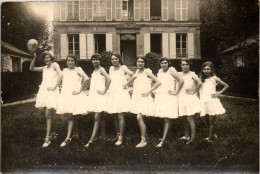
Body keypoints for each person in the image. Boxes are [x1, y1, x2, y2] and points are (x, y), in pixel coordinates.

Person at [123, 56, 161, 148]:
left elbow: (158, 82)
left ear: (145, 63)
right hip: (137, 97)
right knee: (139, 117)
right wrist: (128, 86)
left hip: (145, 97)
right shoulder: (136, 72)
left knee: (139, 117)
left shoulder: (147, 71)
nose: (140, 63)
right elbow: (132, 82)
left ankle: (143, 140)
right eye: (138, 62)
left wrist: (149, 91)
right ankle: (144, 136)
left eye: (142, 62)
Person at [29, 52, 62, 147]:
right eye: (44, 58)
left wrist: (55, 86)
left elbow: (60, 74)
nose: (46, 59)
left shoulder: (55, 65)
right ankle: (53, 134)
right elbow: (31, 68)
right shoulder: (44, 68)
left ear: (51, 58)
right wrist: (34, 57)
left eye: (48, 58)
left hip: (51, 91)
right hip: (44, 91)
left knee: (48, 114)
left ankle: (47, 138)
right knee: (48, 115)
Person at [56, 55, 89, 147]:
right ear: (66, 62)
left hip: (75, 94)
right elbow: (58, 80)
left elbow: (86, 78)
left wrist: (80, 90)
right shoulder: (64, 71)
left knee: (71, 115)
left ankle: (67, 138)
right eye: (68, 61)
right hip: (66, 95)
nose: (70, 62)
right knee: (72, 115)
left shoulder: (78, 69)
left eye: (72, 61)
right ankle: (75, 134)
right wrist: (58, 87)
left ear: (75, 62)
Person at [154, 57, 184, 147]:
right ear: (160, 64)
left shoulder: (171, 70)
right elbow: (159, 83)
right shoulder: (159, 71)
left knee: (167, 118)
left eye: (165, 63)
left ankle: (163, 141)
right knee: (165, 118)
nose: (164, 65)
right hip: (161, 96)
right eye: (162, 63)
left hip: (169, 97)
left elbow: (181, 81)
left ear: (168, 63)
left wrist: (176, 92)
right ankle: (166, 137)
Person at [105, 52, 133, 146]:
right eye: (112, 59)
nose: (114, 61)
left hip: (121, 93)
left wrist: (126, 84)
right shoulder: (111, 68)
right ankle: (117, 134)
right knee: (114, 115)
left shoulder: (123, 67)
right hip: (113, 92)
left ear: (119, 59)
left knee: (120, 116)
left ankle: (121, 137)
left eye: (115, 59)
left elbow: (133, 75)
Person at [85, 53, 111, 147]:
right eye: (93, 59)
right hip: (94, 95)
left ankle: (91, 140)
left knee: (96, 116)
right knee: (101, 116)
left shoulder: (101, 69)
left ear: (100, 61)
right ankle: (103, 136)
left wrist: (104, 90)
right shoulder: (94, 71)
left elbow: (109, 79)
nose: (95, 61)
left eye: (97, 60)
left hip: (100, 96)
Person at [199, 61, 229, 143]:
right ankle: (213, 133)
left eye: (208, 69)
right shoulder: (201, 79)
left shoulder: (214, 78)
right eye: (204, 69)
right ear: (202, 70)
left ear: (211, 70)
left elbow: (226, 86)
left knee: (211, 120)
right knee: (206, 119)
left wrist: (218, 93)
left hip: (212, 101)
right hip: (204, 101)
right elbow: (196, 88)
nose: (206, 71)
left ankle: (209, 138)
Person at [178, 58, 202, 144]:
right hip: (181, 97)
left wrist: (194, 91)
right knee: (184, 117)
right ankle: (186, 135)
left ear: (189, 65)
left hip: (189, 98)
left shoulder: (192, 74)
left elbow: (199, 83)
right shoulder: (179, 74)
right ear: (180, 66)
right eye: (183, 65)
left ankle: (193, 138)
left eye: (186, 65)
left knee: (189, 118)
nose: (185, 66)